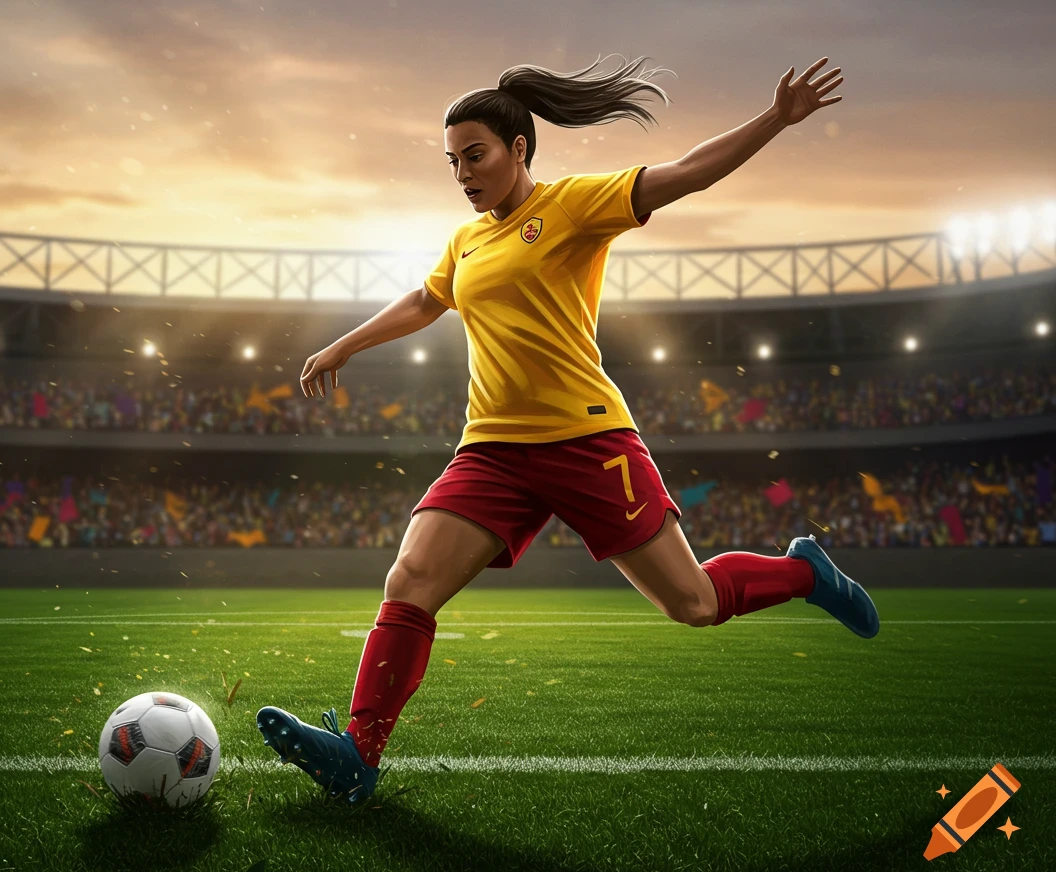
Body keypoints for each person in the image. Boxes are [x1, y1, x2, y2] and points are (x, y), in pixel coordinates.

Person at [257, 53, 873, 804]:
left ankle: (807, 573)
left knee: (693, 604)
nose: (462, 174)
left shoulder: (575, 205)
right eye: (453, 162)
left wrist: (776, 117)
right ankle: (359, 755)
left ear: (519, 148)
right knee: (410, 579)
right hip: (492, 449)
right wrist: (343, 345)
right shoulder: (465, 240)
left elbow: (687, 173)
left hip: (587, 442)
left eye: (475, 156)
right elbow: (425, 302)